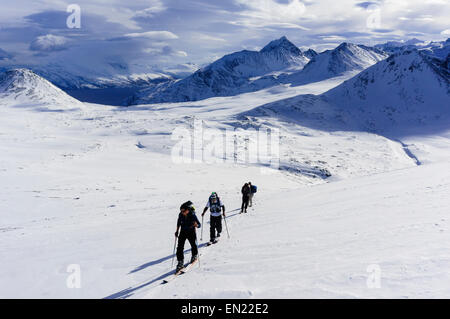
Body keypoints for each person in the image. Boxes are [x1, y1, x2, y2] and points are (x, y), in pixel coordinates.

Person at [175, 201, 201, 272]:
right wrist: (177, 231)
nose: (182, 212)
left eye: (183, 211)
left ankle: (194, 255)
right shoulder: (180, 215)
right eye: (181, 211)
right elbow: (178, 222)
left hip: (191, 232)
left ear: (187, 210)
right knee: (179, 247)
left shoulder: (192, 215)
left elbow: (199, 225)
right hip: (183, 232)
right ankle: (180, 262)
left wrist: (196, 225)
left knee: (193, 245)